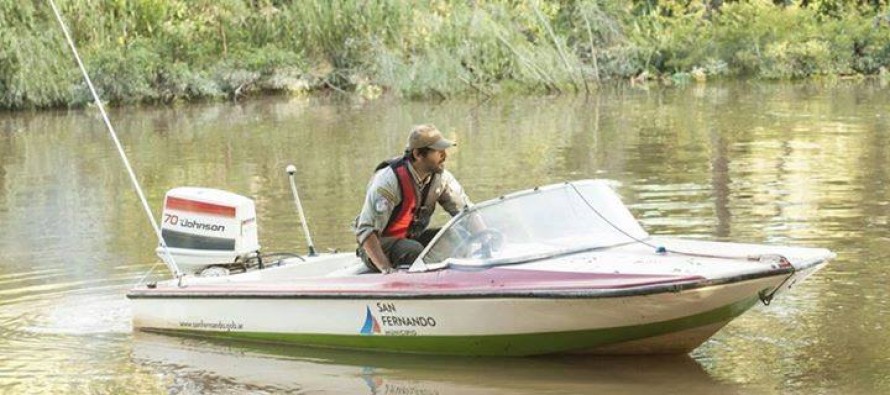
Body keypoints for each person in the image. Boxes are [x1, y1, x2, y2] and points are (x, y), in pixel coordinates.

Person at [354, 124, 471, 273]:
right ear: (418, 154)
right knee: (412, 250)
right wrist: (386, 270)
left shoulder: (441, 178)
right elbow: (366, 231)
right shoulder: (388, 181)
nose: (444, 156)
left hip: (410, 238)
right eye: (438, 151)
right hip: (378, 246)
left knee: (455, 238)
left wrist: (487, 238)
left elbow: (466, 212)